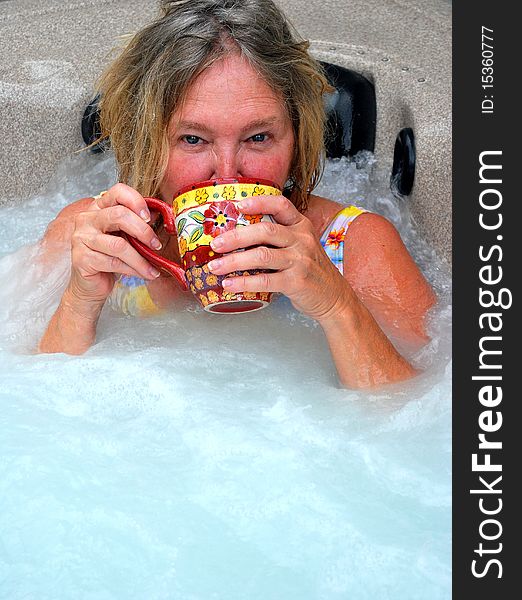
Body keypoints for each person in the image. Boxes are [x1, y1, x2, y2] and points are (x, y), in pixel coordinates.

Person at [38, 0, 436, 389]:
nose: (227, 175)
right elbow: (33, 405)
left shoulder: (358, 247)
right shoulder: (90, 240)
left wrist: (335, 305)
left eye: (258, 137)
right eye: (192, 139)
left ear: (296, 139)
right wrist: (79, 301)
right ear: (145, 141)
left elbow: (421, 418)